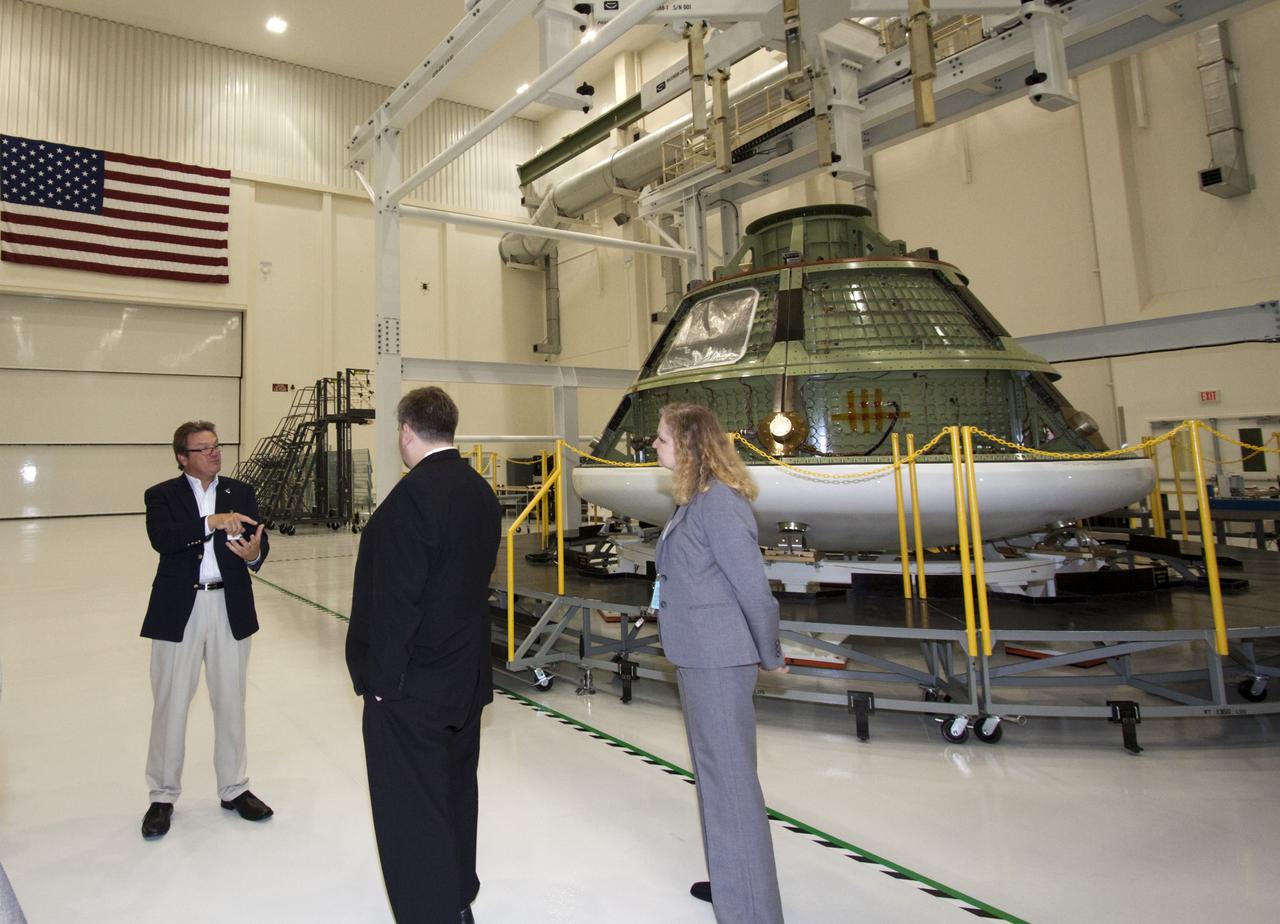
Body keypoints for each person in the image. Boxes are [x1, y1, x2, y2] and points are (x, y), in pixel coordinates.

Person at [345, 387, 502, 924]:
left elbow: (394, 604)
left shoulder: (408, 503)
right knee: (457, 790)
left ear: (406, 430)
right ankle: (458, 895)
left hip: (413, 686)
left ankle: (431, 912)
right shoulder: (481, 492)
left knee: (411, 805)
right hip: (465, 678)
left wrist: (381, 682)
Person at [651, 402, 788, 924]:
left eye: (662, 439)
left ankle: (752, 909)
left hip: (719, 658)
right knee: (713, 775)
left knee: (729, 780)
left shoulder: (720, 504)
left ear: (687, 445)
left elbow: (754, 589)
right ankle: (733, 880)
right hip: (697, 654)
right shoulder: (693, 500)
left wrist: (770, 652)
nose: (656, 447)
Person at [140, 421, 271, 839]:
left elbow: (258, 542)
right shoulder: (162, 495)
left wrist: (253, 554)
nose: (215, 453)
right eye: (204, 449)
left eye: (216, 446)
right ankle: (162, 796)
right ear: (183, 457)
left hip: (228, 606)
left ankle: (235, 789)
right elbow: (164, 538)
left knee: (231, 700)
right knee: (171, 703)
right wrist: (210, 522)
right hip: (180, 608)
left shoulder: (241, 492)